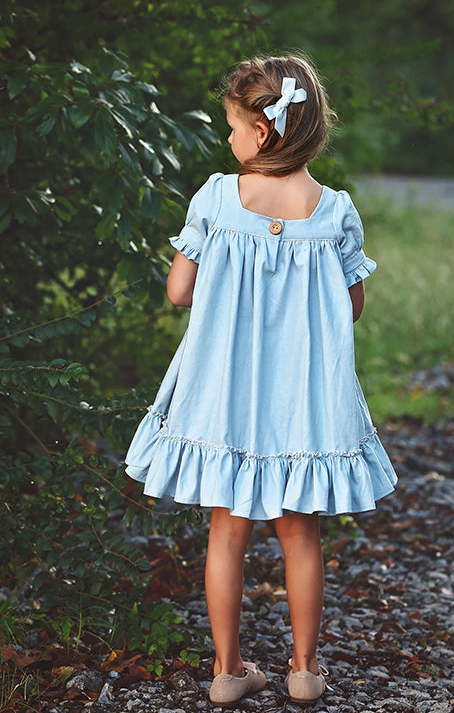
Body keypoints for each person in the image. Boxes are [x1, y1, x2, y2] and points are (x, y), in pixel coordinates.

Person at [125, 54, 397, 706]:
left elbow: (178, 290)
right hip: (301, 398)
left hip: (226, 394)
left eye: (233, 126)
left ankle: (228, 670)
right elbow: (352, 305)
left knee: (229, 529)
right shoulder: (334, 211)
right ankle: (303, 670)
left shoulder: (218, 198)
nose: (228, 139)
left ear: (262, 131)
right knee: (300, 531)